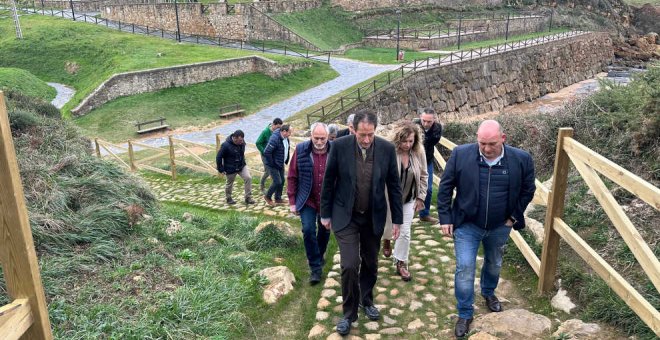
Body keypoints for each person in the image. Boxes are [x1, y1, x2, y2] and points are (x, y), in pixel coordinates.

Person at [437, 120, 536, 338]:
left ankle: (489, 293)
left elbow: (528, 190)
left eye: (492, 143)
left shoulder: (521, 159)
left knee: (494, 263)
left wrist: (513, 217)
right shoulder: (461, 154)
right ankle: (464, 312)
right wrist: (445, 217)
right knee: (464, 268)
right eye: (482, 143)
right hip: (467, 225)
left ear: (503, 138)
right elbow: (445, 187)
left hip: (500, 225)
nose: (487, 149)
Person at [320, 110, 403, 336]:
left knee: (371, 263)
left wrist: (397, 219)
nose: (366, 140)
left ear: (375, 131)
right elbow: (328, 182)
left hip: (373, 216)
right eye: (362, 135)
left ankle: (366, 300)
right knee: (349, 264)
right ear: (353, 130)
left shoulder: (386, 149)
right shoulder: (339, 147)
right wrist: (325, 214)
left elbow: (394, 186)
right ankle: (348, 313)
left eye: (370, 135)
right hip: (345, 215)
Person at [382, 121, 428, 281]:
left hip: (408, 198)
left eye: (411, 141)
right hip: (387, 199)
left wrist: (421, 196)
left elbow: (423, 175)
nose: (408, 144)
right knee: (387, 227)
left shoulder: (418, 152)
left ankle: (401, 262)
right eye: (404, 141)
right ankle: (386, 240)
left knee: (405, 232)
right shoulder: (387, 151)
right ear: (397, 139)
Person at [287, 123, 332, 285]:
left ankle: (319, 255)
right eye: (316, 138)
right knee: (308, 229)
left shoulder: (335, 150)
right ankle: (315, 268)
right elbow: (292, 176)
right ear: (311, 136)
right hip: (307, 198)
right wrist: (292, 201)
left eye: (323, 138)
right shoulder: (301, 149)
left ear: (328, 137)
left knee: (325, 230)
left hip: (327, 199)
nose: (319, 142)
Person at [416, 108, 442, 223]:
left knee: (428, 189)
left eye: (429, 122)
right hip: (413, 160)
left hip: (427, 161)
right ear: (420, 118)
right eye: (424, 121)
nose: (426, 124)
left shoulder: (437, 128)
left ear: (434, 120)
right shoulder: (414, 125)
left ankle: (424, 214)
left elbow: (429, 143)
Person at [216, 130, 255, 205]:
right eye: (240, 140)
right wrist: (220, 168)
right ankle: (228, 198)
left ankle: (248, 197)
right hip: (230, 167)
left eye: (242, 140)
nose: (241, 142)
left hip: (241, 165)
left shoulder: (242, 142)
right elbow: (219, 157)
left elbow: (241, 153)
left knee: (248, 178)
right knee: (229, 183)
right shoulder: (225, 145)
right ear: (234, 138)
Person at [263, 124, 291, 206]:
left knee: (282, 180)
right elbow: (267, 152)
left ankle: (278, 198)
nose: (290, 134)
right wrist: (272, 163)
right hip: (273, 164)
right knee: (277, 181)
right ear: (284, 131)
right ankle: (267, 196)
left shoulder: (286, 138)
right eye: (289, 132)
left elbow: (286, 148)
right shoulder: (274, 138)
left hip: (280, 162)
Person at [256, 118, 283, 194]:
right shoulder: (265, 132)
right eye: (277, 127)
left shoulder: (278, 132)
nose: (279, 129)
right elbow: (258, 143)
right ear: (273, 125)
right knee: (268, 171)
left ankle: (274, 187)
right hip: (266, 155)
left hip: (274, 155)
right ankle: (262, 185)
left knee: (275, 171)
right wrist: (264, 151)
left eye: (280, 128)